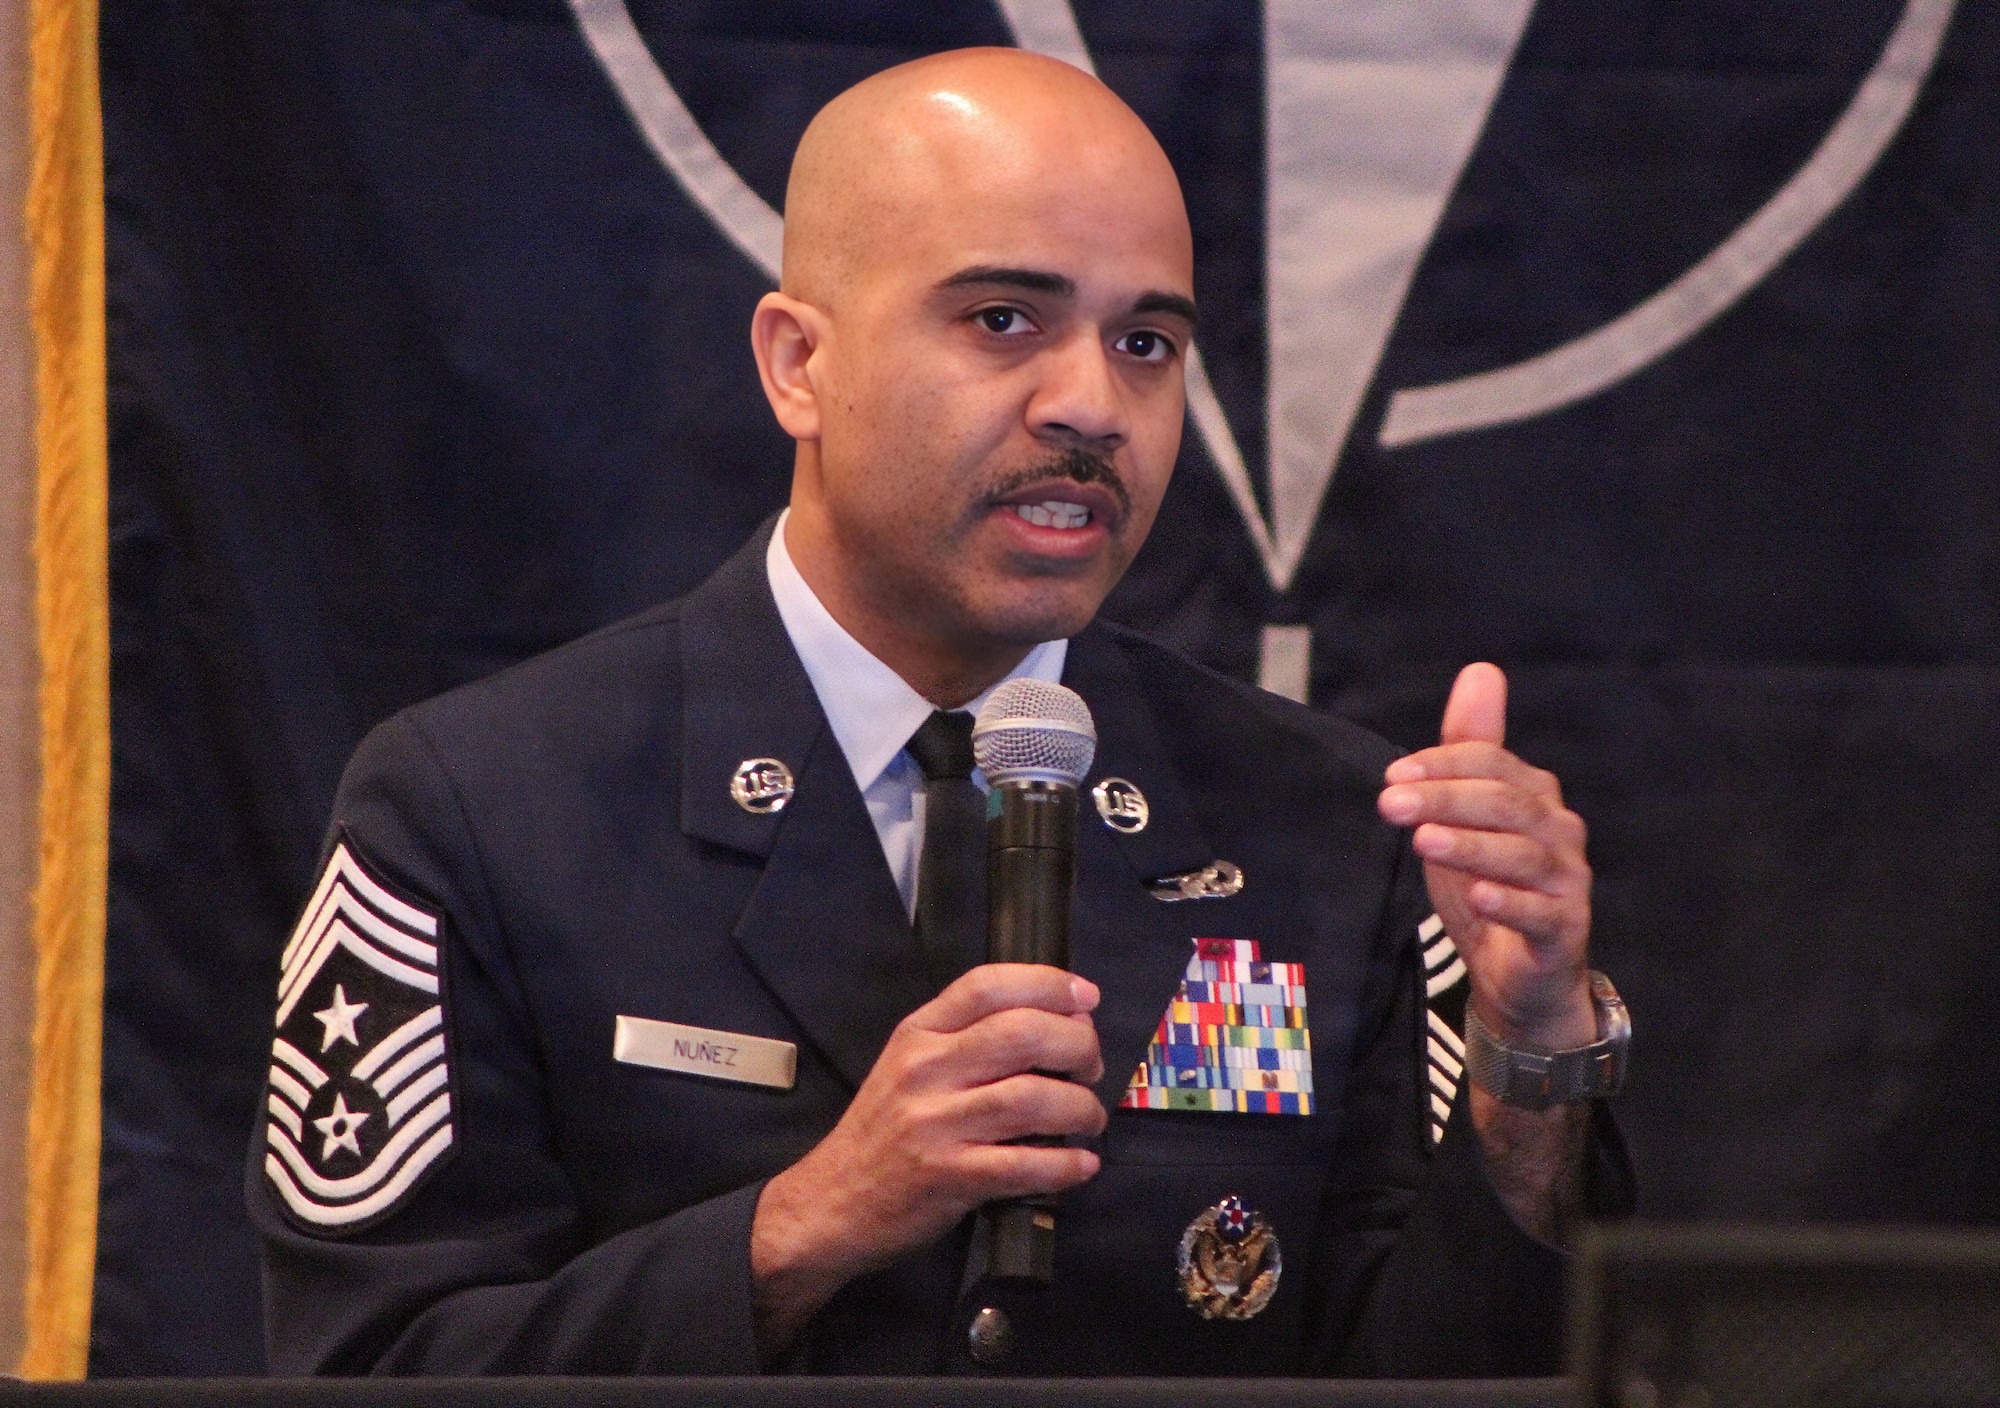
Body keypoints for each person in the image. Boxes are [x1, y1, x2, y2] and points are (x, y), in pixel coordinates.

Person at [248, 48, 1630, 1377]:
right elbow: (376, 1363)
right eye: (1003, 320)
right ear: (800, 366)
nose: (1092, 404)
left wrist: (1533, 1061)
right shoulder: (479, 810)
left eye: (1146, 341)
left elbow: (1451, 1378)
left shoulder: (1336, 828)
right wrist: (800, 1230)